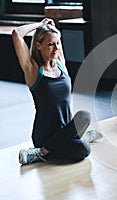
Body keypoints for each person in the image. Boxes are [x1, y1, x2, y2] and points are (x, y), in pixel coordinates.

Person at [12, 18, 102, 165]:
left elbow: (56, 43)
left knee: (84, 116)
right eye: (50, 44)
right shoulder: (33, 69)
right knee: (83, 150)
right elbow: (17, 34)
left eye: (57, 43)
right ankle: (41, 151)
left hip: (65, 130)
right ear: (38, 46)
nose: (56, 48)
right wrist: (41, 25)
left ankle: (69, 141)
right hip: (45, 136)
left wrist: (51, 29)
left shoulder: (60, 64)